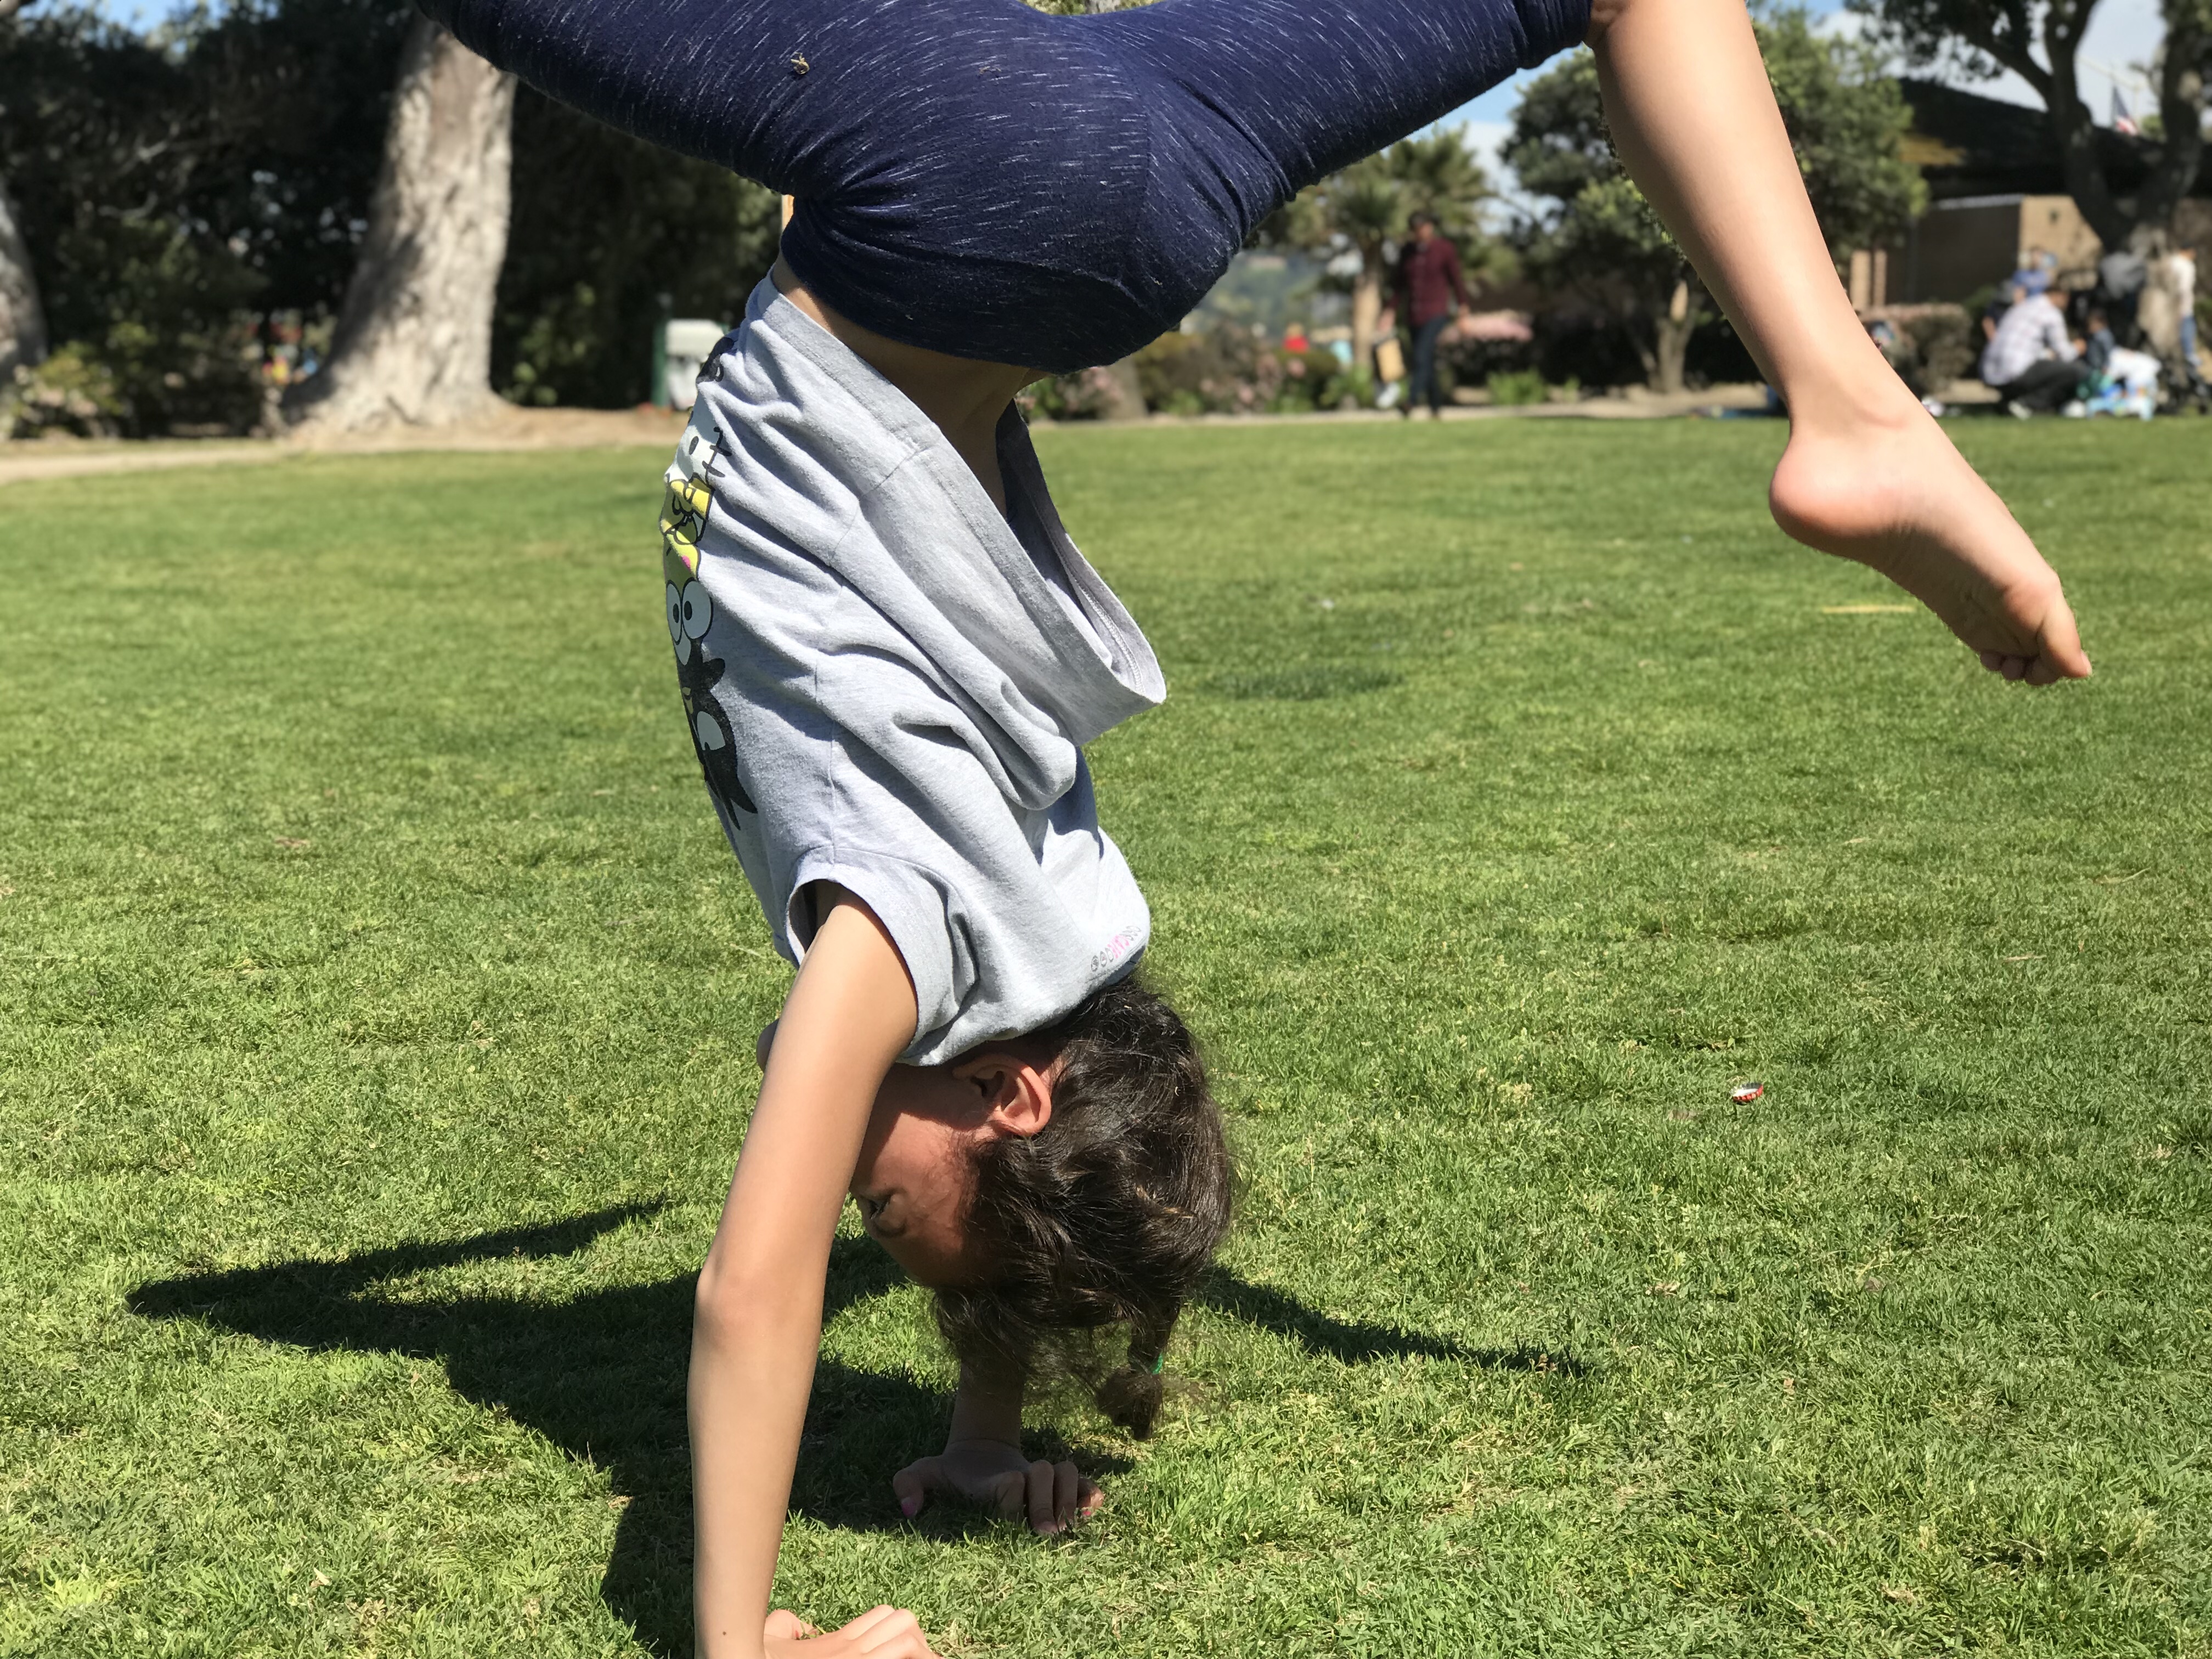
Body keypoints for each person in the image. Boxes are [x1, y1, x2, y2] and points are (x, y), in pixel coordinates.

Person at [415, 0, 2092, 1653]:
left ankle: (1847, 398)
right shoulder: (900, 939)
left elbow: (996, 1204)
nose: (855, 1189)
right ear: (1015, 1090)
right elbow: (752, 1288)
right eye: (892, 1209)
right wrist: (738, 1638)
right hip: (970, 171)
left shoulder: (1065, 923)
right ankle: (1857, 419)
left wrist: (987, 1443)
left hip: (1111, 190)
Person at [1383, 211, 1473, 417]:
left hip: (1436, 313)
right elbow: (1399, 286)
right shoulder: (1407, 252)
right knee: (1426, 360)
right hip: (1414, 314)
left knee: (1421, 356)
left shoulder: (1444, 249)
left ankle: (1411, 401)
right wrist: (1389, 312)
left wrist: (1464, 310)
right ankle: (1436, 407)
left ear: (1430, 227)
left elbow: (1456, 281)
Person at [1978, 274, 2091, 416]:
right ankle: (2027, 404)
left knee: (2044, 365)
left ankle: (2008, 402)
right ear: (2061, 296)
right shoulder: (2051, 313)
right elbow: (2065, 354)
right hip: (2015, 372)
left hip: (1989, 372)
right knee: (2077, 370)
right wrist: (2077, 348)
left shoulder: (2023, 306)